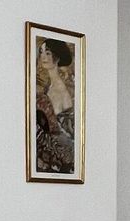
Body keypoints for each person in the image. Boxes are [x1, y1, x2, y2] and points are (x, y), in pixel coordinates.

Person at [35, 38, 75, 174]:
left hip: (58, 154)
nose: (43, 57)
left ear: (57, 58)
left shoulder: (60, 90)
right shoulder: (48, 87)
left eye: (48, 53)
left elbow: (64, 134)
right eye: (41, 52)